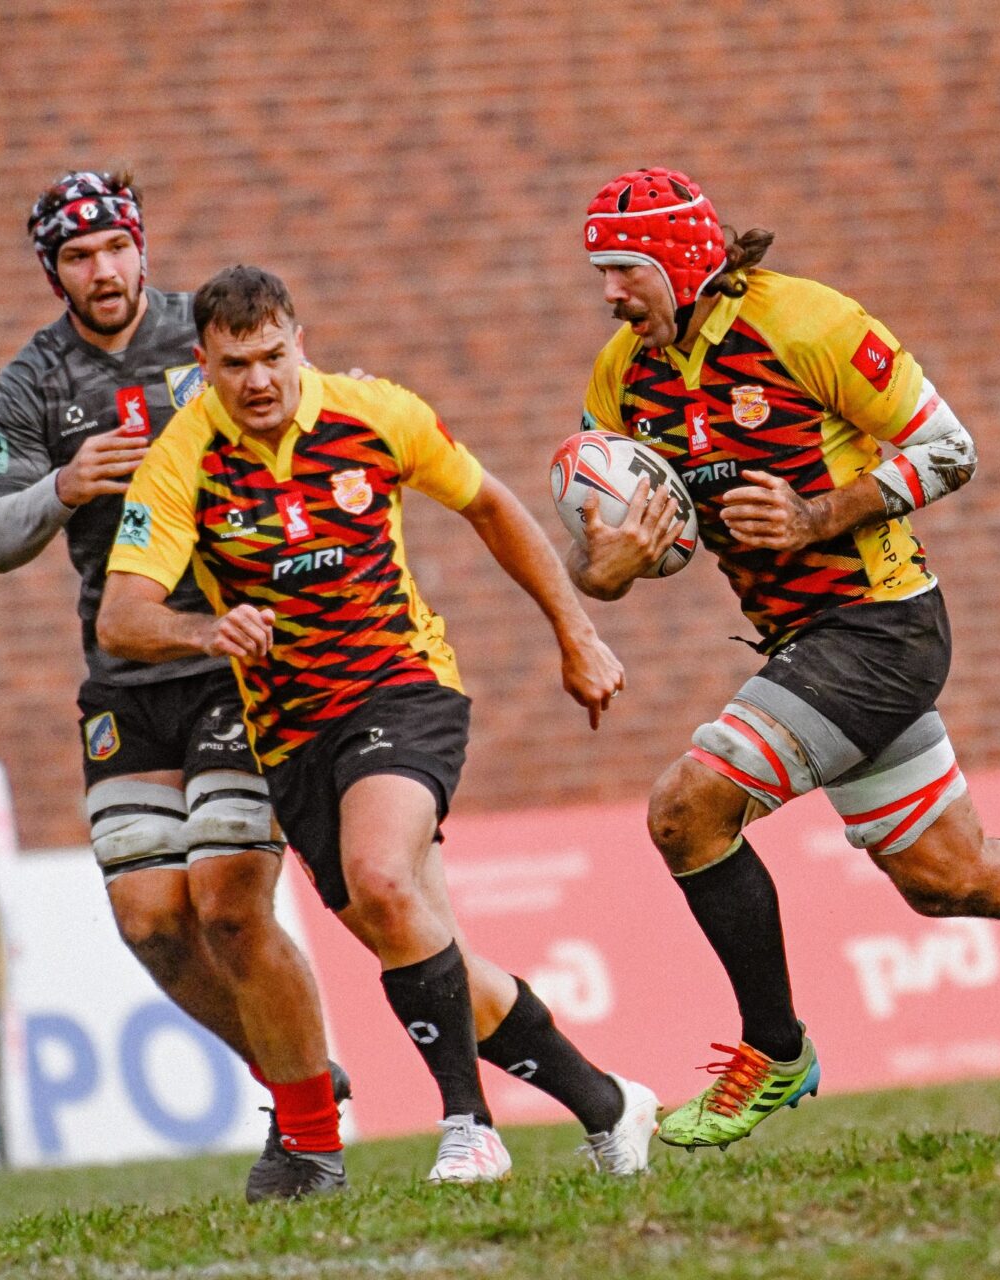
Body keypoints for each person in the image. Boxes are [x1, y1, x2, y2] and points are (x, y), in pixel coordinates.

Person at [565, 166, 1000, 1152]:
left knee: (687, 807)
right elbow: (597, 551)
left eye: (625, 269)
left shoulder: (806, 323)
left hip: (880, 628)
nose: (609, 293)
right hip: (805, 644)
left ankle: (775, 1049)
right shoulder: (622, 377)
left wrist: (819, 514)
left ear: (684, 263)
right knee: (954, 877)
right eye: (600, 272)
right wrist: (606, 569)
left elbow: (950, 448)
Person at [96, 265, 655, 1184]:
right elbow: (122, 616)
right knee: (418, 939)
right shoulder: (183, 457)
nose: (259, 380)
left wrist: (576, 634)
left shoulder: (377, 414)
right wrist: (204, 630)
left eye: (273, 356)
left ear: (300, 343)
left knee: (382, 876)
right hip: (290, 733)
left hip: (401, 687)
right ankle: (609, 1105)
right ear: (205, 363)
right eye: (235, 365)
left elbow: (489, 505)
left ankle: (470, 1127)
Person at [0, 171, 344, 1199]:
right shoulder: (33, 381)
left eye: (115, 248)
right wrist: (65, 483)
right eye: (78, 257)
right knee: (150, 921)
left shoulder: (209, 332)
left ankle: (310, 1135)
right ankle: (299, 1074)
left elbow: (314, 415)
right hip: (126, 674)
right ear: (53, 271)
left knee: (227, 906)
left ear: (141, 248)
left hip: (232, 658)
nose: (103, 270)